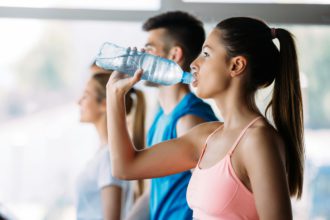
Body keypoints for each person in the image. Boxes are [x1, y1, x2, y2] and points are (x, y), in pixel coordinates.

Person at [106, 16, 304, 220]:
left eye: (206, 54)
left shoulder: (258, 140)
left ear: (236, 66)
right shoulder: (205, 136)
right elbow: (125, 168)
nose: (193, 63)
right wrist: (114, 95)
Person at [126, 11, 218, 220]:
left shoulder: (191, 120)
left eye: (150, 48)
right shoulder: (161, 116)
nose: (142, 55)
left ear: (174, 55)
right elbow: (157, 191)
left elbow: (211, 202)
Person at [76, 63, 146, 220]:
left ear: (103, 104)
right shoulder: (103, 153)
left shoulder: (109, 156)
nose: (78, 101)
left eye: (86, 95)